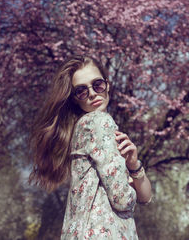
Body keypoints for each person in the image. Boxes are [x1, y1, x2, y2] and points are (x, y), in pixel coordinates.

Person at [29, 55, 152, 239]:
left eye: (98, 85)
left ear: (107, 85)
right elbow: (123, 199)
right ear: (76, 99)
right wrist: (128, 187)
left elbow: (146, 197)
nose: (93, 93)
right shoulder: (98, 122)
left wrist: (134, 165)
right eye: (81, 91)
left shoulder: (81, 128)